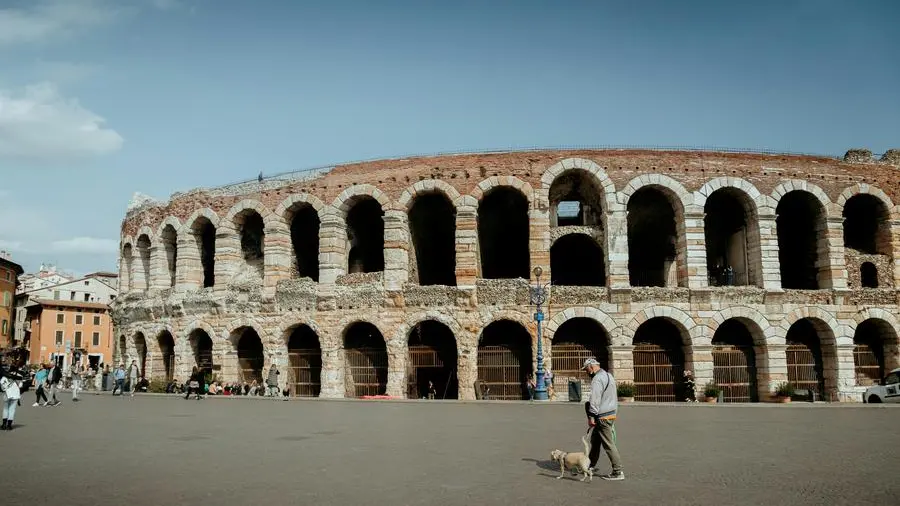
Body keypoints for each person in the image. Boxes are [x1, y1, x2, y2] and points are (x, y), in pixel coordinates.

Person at [582, 357, 624, 481]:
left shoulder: (597, 379)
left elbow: (595, 400)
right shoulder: (609, 376)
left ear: (591, 367)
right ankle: (590, 465)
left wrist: (592, 417)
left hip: (602, 416)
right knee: (595, 441)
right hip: (610, 413)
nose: (586, 372)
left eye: (586, 369)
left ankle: (618, 471)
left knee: (608, 444)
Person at [1, 366, 23, 430]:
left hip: (7, 394)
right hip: (15, 394)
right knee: (12, 410)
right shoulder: (19, 376)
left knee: (5, 409)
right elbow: (21, 385)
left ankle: (4, 424)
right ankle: (9, 425)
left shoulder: (4, 376)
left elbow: (2, 387)